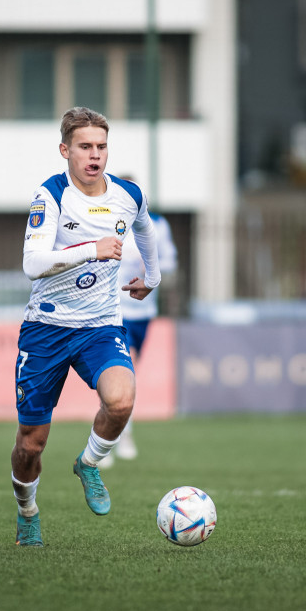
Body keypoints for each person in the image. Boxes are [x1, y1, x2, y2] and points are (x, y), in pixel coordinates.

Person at [10, 106, 161, 547]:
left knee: (121, 401)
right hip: (46, 329)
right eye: (84, 147)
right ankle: (27, 510)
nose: (95, 156)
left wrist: (152, 277)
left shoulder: (128, 194)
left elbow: (145, 228)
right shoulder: (51, 195)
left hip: (100, 325)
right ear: (65, 150)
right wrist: (91, 249)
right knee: (31, 445)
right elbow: (32, 264)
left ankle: (90, 463)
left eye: (101, 146)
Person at [98, 200, 178, 467]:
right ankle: (116, 438)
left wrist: (151, 268)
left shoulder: (155, 224)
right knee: (121, 373)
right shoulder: (104, 221)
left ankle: (113, 434)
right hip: (113, 311)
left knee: (127, 377)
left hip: (142, 312)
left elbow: (169, 260)